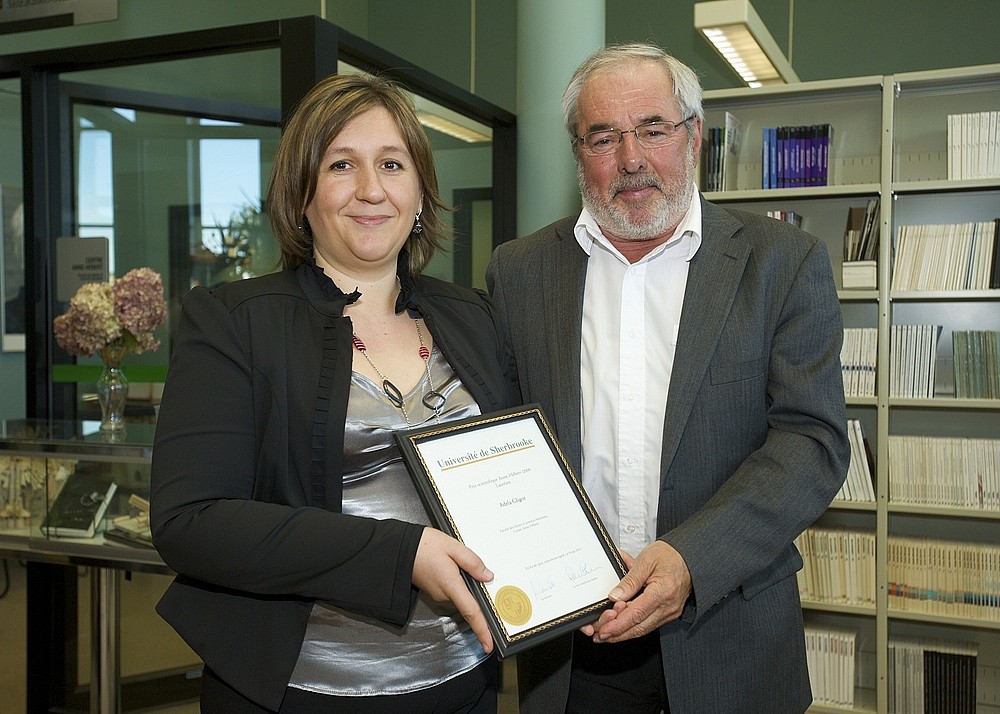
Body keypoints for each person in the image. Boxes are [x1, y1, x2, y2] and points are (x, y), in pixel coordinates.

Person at [487, 43, 850, 713]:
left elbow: (813, 442)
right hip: (572, 651)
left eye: (653, 129)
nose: (631, 158)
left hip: (730, 635)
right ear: (578, 152)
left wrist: (691, 559)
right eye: (604, 137)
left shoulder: (782, 263)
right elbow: (505, 444)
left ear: (694, 137)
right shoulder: (519, 272)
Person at [150, 72, 517, 713]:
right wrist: (400, 554)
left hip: (463, 681)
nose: (372, 189)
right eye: (342, 164)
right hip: (302, 690)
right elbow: (191, 523)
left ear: (421, 192)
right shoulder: (234, 320)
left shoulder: (475, 316)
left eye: (392, 164)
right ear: (302, 195)